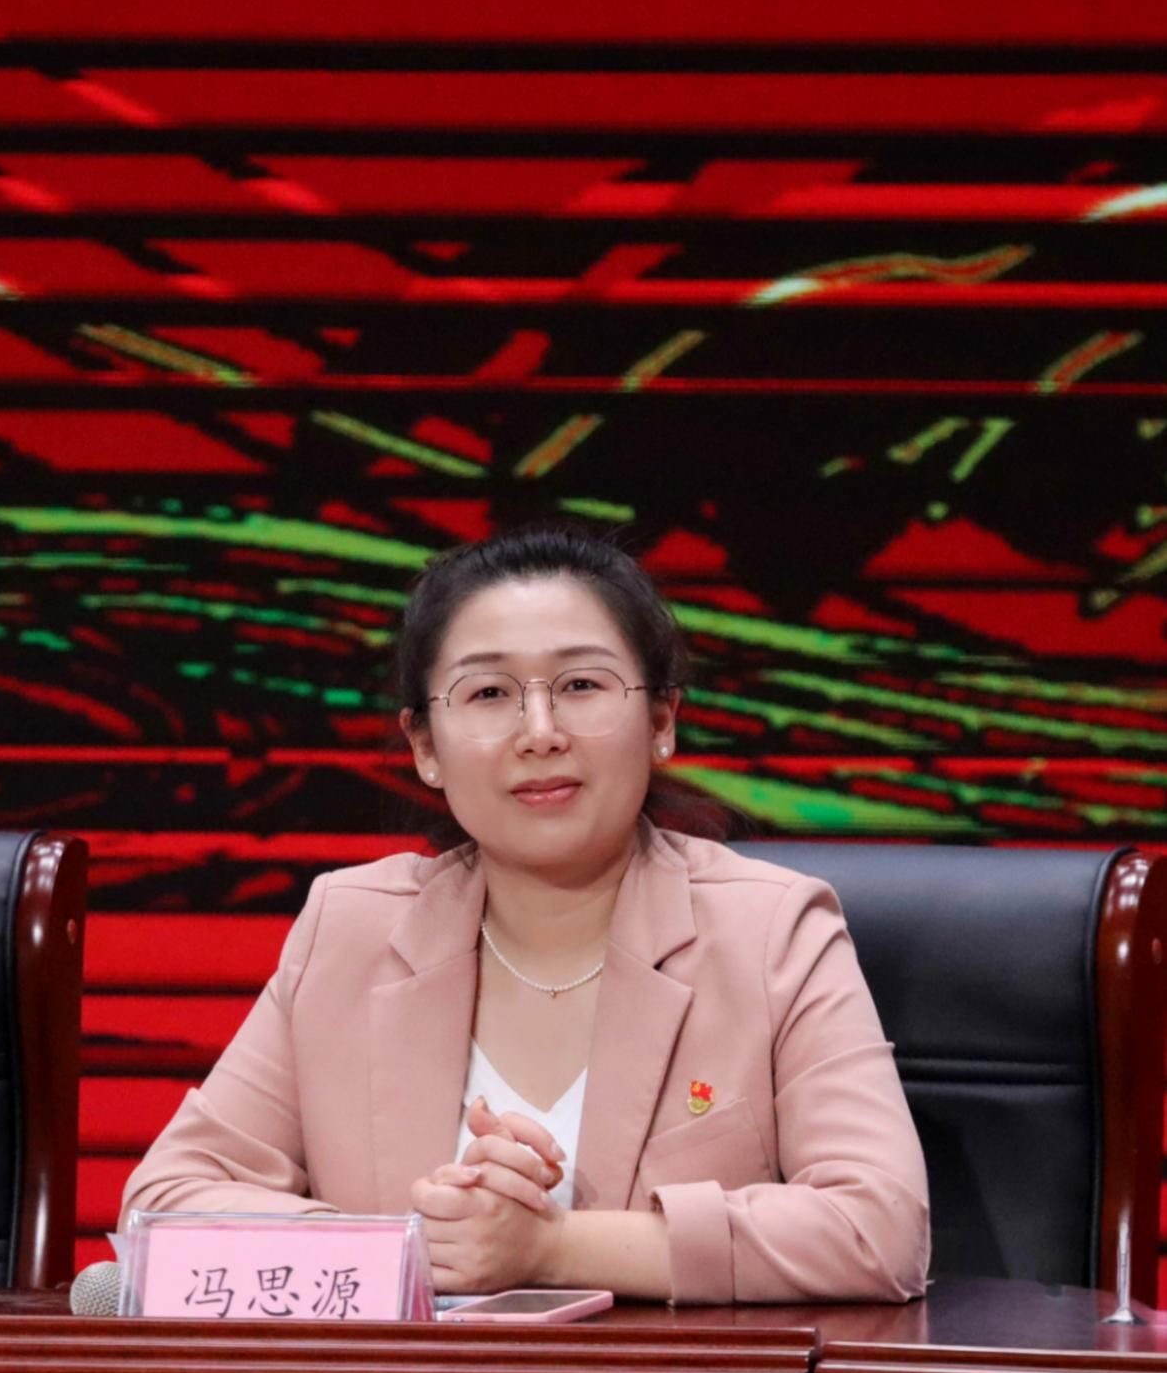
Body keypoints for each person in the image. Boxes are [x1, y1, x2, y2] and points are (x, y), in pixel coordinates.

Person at [120, 526, 930, 1304]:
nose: (539, 734)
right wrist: (416, 1249)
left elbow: (879, 1227)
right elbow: (165, 1205)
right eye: (488, 693)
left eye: (580, 686)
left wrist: (550, 1247)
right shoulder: (351, 930)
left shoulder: (774, 933)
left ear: (661, 722)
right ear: (425, 747)